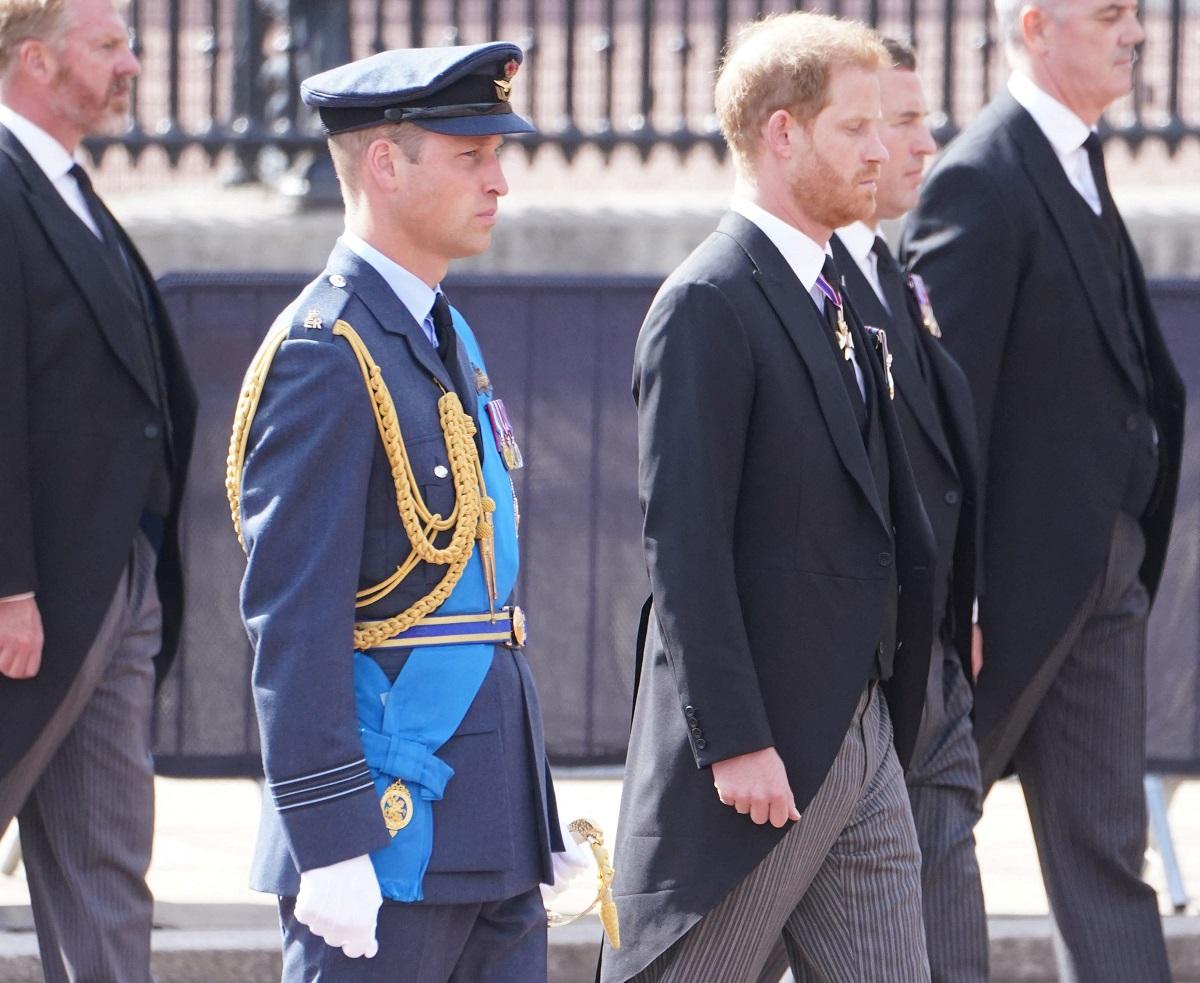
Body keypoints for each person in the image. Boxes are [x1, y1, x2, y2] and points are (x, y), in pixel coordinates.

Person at [228, 42, 579, 982]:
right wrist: (329, 839)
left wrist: (530, 807)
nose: (499, 181)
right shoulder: (325, 351)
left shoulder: (438, 329)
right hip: (387, 828)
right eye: (471, 156)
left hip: (486, 816)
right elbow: (291, 619)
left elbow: (483, 593)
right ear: (386, 163)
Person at [601, 13, 937, 982]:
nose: (883, 148)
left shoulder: (834, 291)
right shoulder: (708, 300)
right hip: (762, 759)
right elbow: (684, 540)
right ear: (781, 133)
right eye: (855, 126)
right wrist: (739, 738)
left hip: (861, 729)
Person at [902, 0, 1185, 977]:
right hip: (1010, 593)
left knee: (1104, 849)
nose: (1136, 32)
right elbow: (946, 409)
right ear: (1035, 24)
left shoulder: (1076, 154)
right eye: (1111, 12)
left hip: (1103, 573)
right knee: (927, 823)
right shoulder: (980, 177)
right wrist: (962, 592)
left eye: (1138, 14)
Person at [0, 0, 197, 977]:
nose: (133, 62)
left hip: (115, 579)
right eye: (108, 44)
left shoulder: (68, 184)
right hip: (32, 598)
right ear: (34, 59)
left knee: (108, 866)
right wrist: (8, 583)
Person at [830, 36, 988, 982]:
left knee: (947, 941)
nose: (922, 144)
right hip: (848, 689)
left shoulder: (895, 275)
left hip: (930, 673)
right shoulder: (802, 289)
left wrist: (960, 612)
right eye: (896, 122)